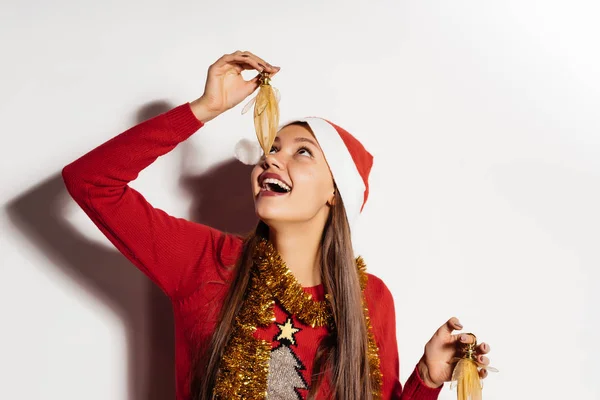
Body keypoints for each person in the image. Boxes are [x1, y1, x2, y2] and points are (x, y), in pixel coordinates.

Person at [62, 50, 492, 400]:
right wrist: (203, 109)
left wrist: (428, 379)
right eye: (271, 148)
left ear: (335, 192)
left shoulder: (370, 299)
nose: (271, 158)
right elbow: (91, 182)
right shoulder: (206, 263)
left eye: (302, 153)